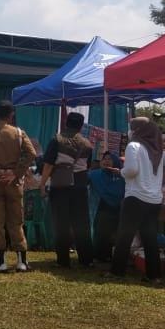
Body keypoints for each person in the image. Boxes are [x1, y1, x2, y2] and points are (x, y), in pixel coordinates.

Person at [109, 117, 165, 283]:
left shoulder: (134, 146)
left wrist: (120, 172)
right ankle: (154, 276)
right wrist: (158, 181)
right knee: (150, 238)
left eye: (132, 128)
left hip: (135, 197)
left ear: (137, 130)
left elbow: (132, 170)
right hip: (154, 200)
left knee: (125, 236)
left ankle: (116, 272)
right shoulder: (157, 150)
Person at [0, 100, 36, 273]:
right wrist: (16, 173)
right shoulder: (19, 133)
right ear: (11, 115)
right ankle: (21, 261)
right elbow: (31, 153)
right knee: (16, 220)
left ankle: (1, 262)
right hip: (14, 182)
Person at [38, 112, 95, 269]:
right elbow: (87, 166)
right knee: (82, 223)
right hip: (80, 186)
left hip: (61, 186)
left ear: (66, 123)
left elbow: (48, 164)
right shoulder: (87, 144)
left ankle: (63, 260)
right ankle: (86, 259)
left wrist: (42, 184)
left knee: (61, 223)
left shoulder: (57, 139)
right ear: (81, 125)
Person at [89, 152, 125, 263]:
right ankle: (99, 255)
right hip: (102, 208)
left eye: (110, 159)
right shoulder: (95, 175)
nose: (106, 161)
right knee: (103, 223)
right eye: (104, 159)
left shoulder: (122, 176)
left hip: (121, 209)